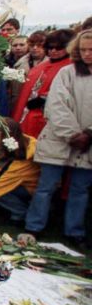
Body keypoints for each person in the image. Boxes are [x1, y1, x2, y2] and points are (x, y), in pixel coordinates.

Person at [24, 29, 92, 247]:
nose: (87, 54)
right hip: (61, 138)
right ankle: (34, 225)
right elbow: (55, 106)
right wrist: (73, 134)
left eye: (91, 50)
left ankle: (74, 231)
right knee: (46, 185)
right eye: (83, 50)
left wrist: (89, 133)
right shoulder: (67, 72)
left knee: (80, 189)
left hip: (88, 142)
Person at [14, 29, 74, 138]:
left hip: (47, 121)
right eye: (50, 47)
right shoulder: (41, 66)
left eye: (58, 48)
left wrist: (43, 99)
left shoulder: (72, 68)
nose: (53, 51)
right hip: (27, 118)